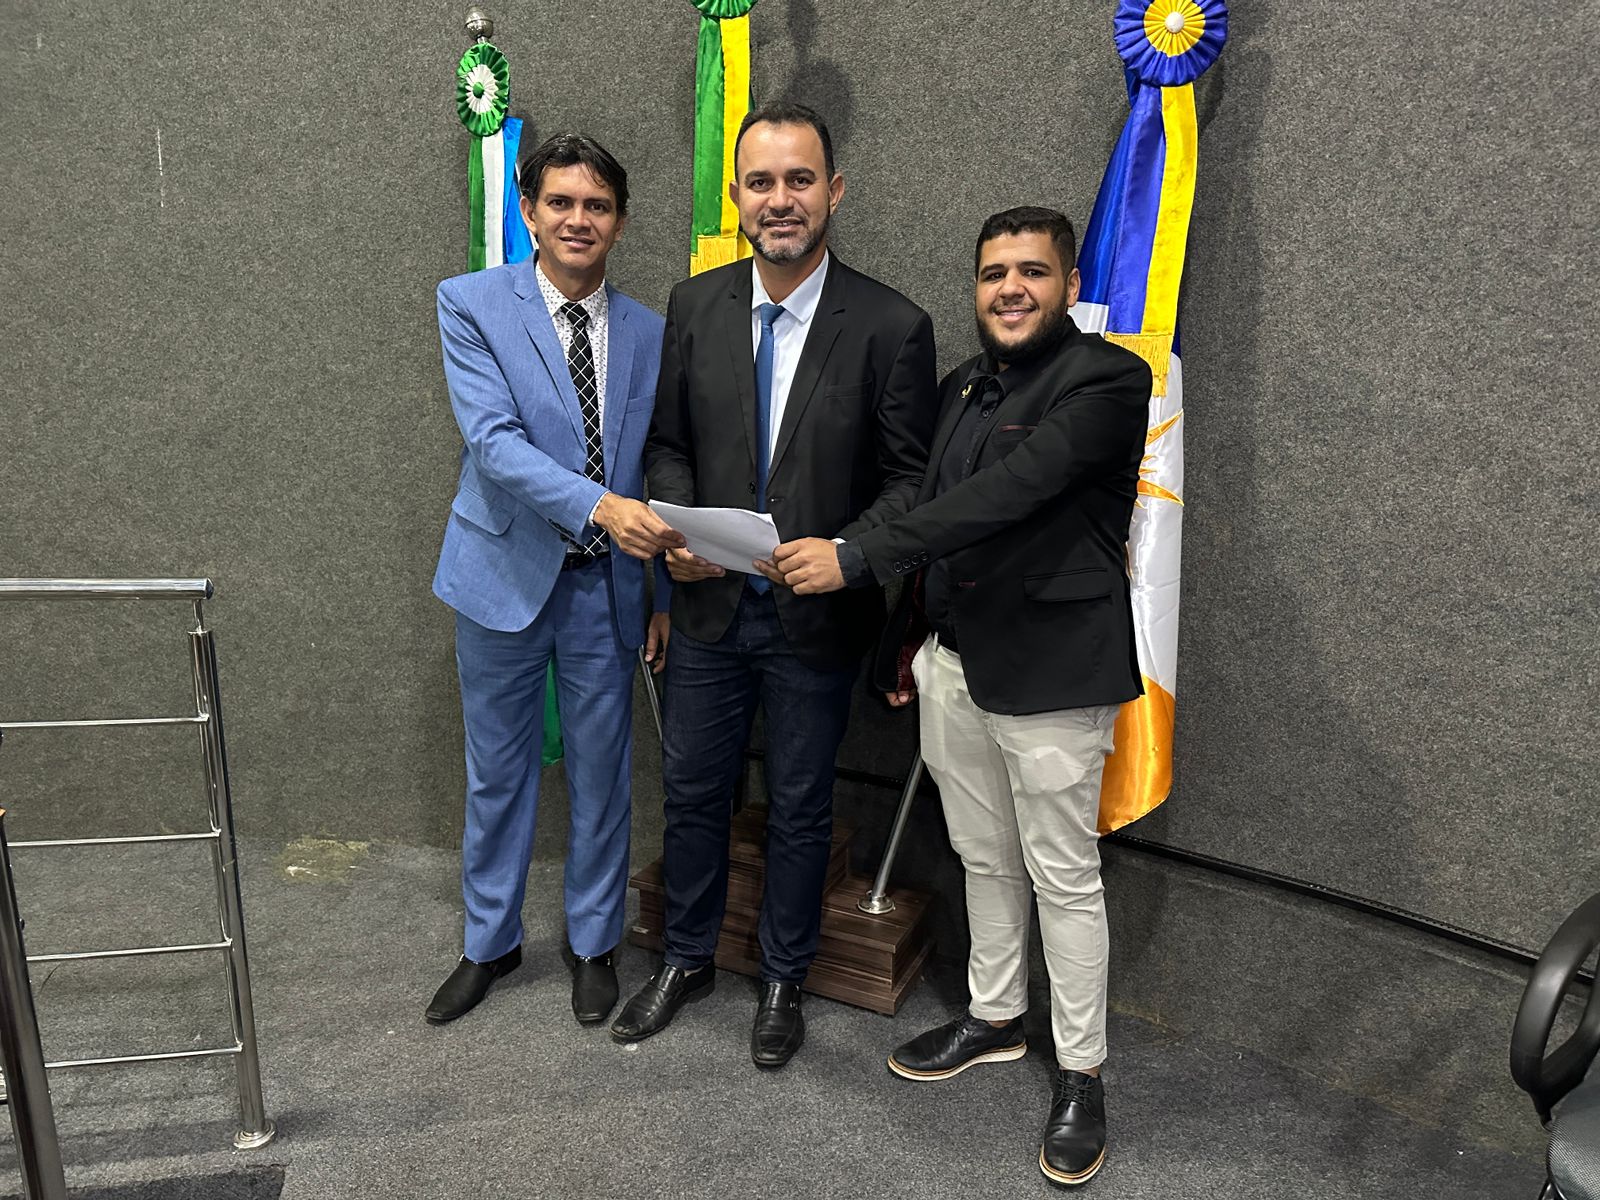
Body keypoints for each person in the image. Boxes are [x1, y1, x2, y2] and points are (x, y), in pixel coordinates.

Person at [762, 206, 1151, 1185]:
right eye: (991, 274)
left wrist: (855, 558)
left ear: (1069, 285)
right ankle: (995, 1017)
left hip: (1053, 674)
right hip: (954, 663)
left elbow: (1004, 495)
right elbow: (934, 515)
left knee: (1062, 873)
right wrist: (905, 642)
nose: (1009, 289)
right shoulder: (962, 387)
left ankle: (1083, 1071)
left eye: (1031, 271)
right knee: (982, 853)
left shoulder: (1109, 379)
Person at [611, 102, 938, 1068]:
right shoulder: (695, 305)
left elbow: (911, 482)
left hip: (817, 620)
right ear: (737, 195)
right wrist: (677, 532)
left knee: (800, 806)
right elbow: (668, 445)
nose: (780, 199)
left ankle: (785, 976)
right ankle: (686, 958)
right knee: (692, 792)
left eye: (800, 180)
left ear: (834, 191)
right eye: (761, 182)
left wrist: (851, 553)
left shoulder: (892, 326)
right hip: (709, 611)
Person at [426, 133, 682, 1029]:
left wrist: (661, 594)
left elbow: (657, 466)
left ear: (620, 221)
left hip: (606, 590)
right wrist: (602, 506)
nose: (579, 219)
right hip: (500, 576)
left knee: (604, 775)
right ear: (529, 213)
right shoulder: (470, 303)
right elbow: (492, 445)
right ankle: (488, 943)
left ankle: (594, 943)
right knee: (497, 775)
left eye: (597, 205)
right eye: (561, 203)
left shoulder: (652, 331)